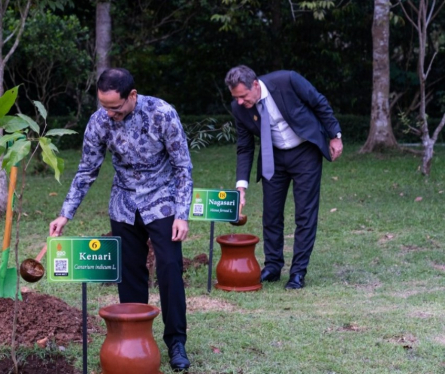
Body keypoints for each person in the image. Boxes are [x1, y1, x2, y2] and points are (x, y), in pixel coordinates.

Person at [49, 68, 193, 371]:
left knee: (168, 267)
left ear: (132, 96)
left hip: (162, 200)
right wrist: (66, 213)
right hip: (124, 203)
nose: (109, 113)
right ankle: (135, 338)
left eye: (115, 107)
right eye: (104, 106)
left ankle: (176, 341)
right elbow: (87, 170)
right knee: (129, 274)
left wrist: (182, 214)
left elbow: (182, 167)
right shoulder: (99, 121)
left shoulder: (163, 114)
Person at [224, 65, 343, 290]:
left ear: (256, 85)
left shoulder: (288, 81)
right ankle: (273, 266)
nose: (240, 102)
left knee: (305, 214)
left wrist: (335, 135)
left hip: (305, 151)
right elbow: (244, 147)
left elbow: (319, 103)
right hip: (273, 156)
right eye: (236, 97)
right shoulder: (239, 108)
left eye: (243, 96)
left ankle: (298, 272)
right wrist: (241, 187)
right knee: (271, 213)